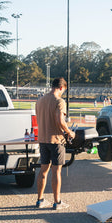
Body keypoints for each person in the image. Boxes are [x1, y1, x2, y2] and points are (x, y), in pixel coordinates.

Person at [34, 77, 76, 210]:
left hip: (42, 139)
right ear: (62, 88)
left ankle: (40, 200)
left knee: (43, 170)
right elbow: (60, 120)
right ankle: (57, 202)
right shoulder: (60, 101)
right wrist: (69, 132)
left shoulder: (40, 101)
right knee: (56, 171)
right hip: (56, 140)